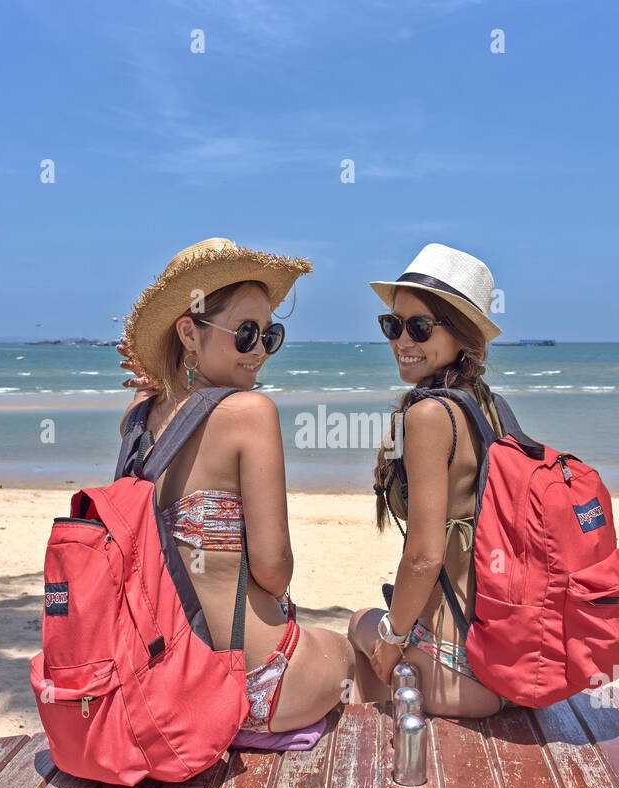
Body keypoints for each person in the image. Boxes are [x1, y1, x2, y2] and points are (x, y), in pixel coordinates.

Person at [117, 237, 353, 734]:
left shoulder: (135, 423)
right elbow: (273, 571)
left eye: (271, 335)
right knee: (352, 650)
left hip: (164, 690)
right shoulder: (250, 414)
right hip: (252, 686)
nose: (261, 351)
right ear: (189, 331)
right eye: (245, 333)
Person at [347, 243, 509, 718]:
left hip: (461, 672)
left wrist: (392, 641)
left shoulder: (430, 415)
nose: (402, 339)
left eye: (419, 326)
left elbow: (423, 557)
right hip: (502, 660)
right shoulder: (486, 406)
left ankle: (383, 758)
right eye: (392, 325)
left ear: (461, 335)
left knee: (359, 628)